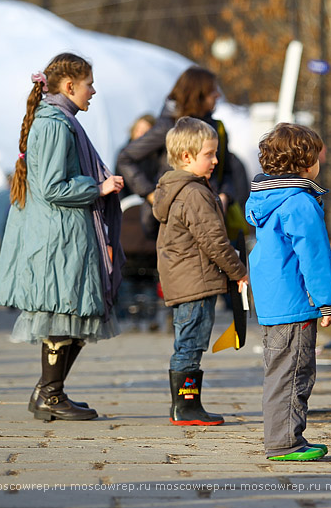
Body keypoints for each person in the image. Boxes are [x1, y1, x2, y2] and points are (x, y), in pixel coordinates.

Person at [0, 53, 125, 422]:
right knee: (62, 315)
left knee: (79, 315)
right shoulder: (54, 124)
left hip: (65, 235)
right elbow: (52, 187)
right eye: (89, 84)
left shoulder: (60, 120)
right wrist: (98, 187)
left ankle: (49, 391)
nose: (93, 91)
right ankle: (50, 395)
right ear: (70, 86)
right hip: (57, 239)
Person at [245, 123, 331, 461]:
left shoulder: (265, 198)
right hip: (295, 302)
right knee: (294, 373)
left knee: (280, 371)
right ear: (305, 162)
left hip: (274, 302)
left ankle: (284, 437)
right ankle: (285, 442)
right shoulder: (299, 202)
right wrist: (327, 302)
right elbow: (314, 257)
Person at [152, 116, 248, 426]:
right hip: (195, 282)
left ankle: (187, 405)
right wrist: (238, 272)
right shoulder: (193, 193)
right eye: (209, 154)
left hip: (188, 280)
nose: (215, 160)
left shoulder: (181, 189)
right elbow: (214, 241)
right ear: (186, 157)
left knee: (189, 343)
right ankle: (185, 407)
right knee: (190, 345)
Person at [117, 66, 236, 240]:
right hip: (172, 220)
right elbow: (125, 157)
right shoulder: (168, 126)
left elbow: (227, 171)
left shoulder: (216, 127)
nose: (218, 95)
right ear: (198, 94)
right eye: (212, 91)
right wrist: (151, 194)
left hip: (210, 216)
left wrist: (225, 195)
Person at [116, 114, 155, 201]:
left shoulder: (156, 157)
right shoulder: (124, 155)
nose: (140, 135)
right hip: (128, 203)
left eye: (145, 132)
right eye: (138, 130)